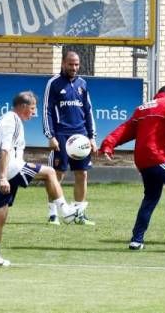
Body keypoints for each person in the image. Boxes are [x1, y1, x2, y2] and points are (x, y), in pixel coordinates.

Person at [99, 85, 165, 250]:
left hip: (142, 160)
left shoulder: (142, 108)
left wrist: (108, 144)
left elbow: (125, 129)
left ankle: (136, 240)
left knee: (151, 198)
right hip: (156, 156)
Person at [0, 91, 77, 267]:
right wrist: (3, 177)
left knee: (0, 216)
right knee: (50, 172)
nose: (34, 112)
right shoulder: (12, 121)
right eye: (33, 108)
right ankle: (65, 211)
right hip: (9, 168)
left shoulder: (6, 119)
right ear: (23, 107)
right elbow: (5, 150)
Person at [43, 50, 96, 226]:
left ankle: (79, 213)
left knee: (82, 174)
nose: (74, 67)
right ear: (63, 64)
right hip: (61, 135)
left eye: (76, 64)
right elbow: (47, 111)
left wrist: (92, 137)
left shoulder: (83, 84)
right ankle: (53, 214)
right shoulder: (54, 83)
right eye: (70, 64)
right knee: (57, 174)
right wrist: (50, 135)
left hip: (81, 136)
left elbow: (88, 111)